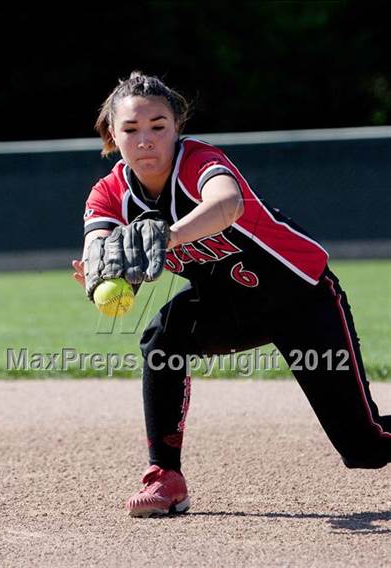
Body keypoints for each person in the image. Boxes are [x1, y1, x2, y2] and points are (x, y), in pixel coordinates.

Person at [72, 71, 391, 518]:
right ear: (112, 135)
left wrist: (165, 237)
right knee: (163, 337)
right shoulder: (109, 194)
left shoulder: (198, 161)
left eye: (158, 126)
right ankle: (165, 476)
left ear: (177, 127)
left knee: (367, 447)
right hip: (227, 308)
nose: (145, 139)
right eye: (130, 129)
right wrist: (98, 275)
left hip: (302, 300)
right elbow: (97, 247)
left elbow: (227, 205)